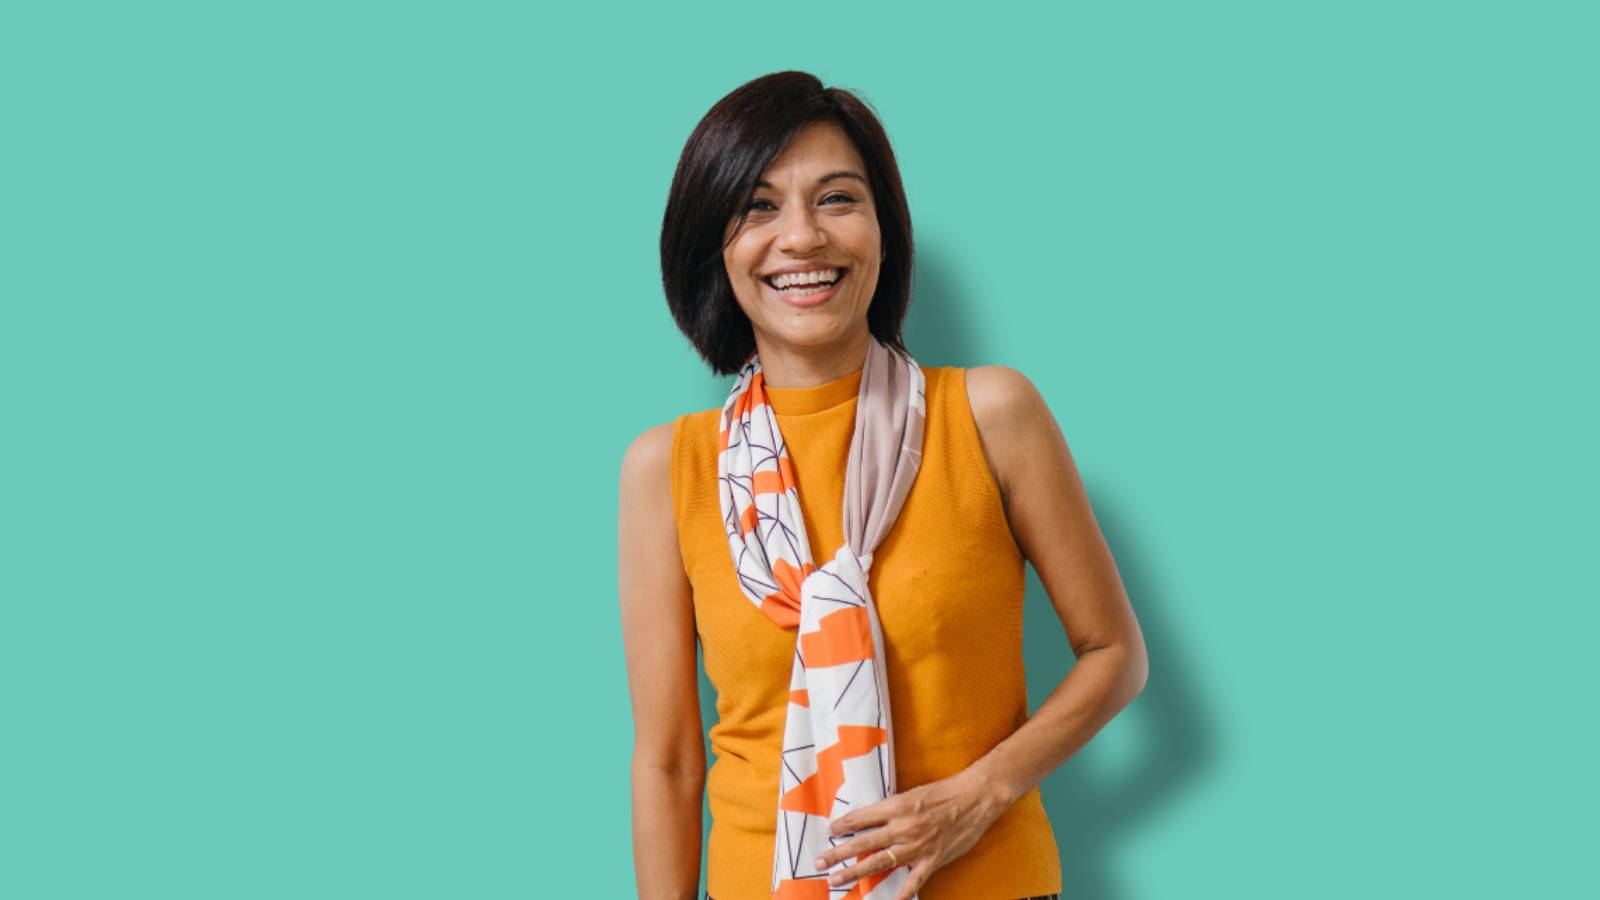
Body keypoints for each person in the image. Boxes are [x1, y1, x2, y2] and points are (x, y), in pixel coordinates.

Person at [619, 70, 1147, 900]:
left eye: (837, 199)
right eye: (758, 206)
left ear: (883, 231)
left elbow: (1114, 656)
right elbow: (669, 760)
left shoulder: (989, 415)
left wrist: (980, 795)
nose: (801, 238)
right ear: (713, 246)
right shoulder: (669, 468)